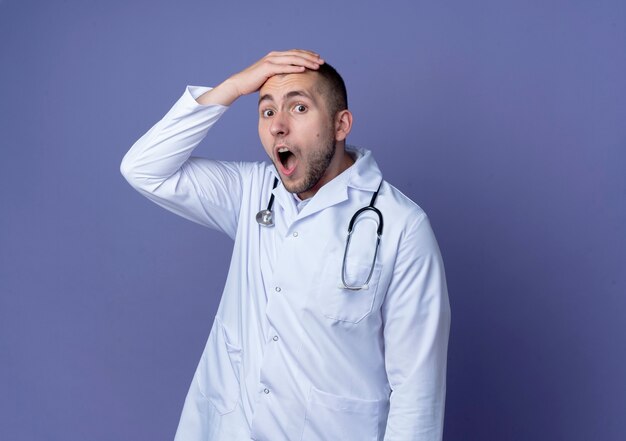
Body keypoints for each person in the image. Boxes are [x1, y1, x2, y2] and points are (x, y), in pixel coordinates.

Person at [120, 49, 451, 441]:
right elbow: (143, 168)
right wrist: (234, 86)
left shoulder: (401, 227)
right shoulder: (251, 193)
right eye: (266, 111)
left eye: (298, 108)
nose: (278, 126)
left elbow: (417, 393)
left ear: (341, 123)